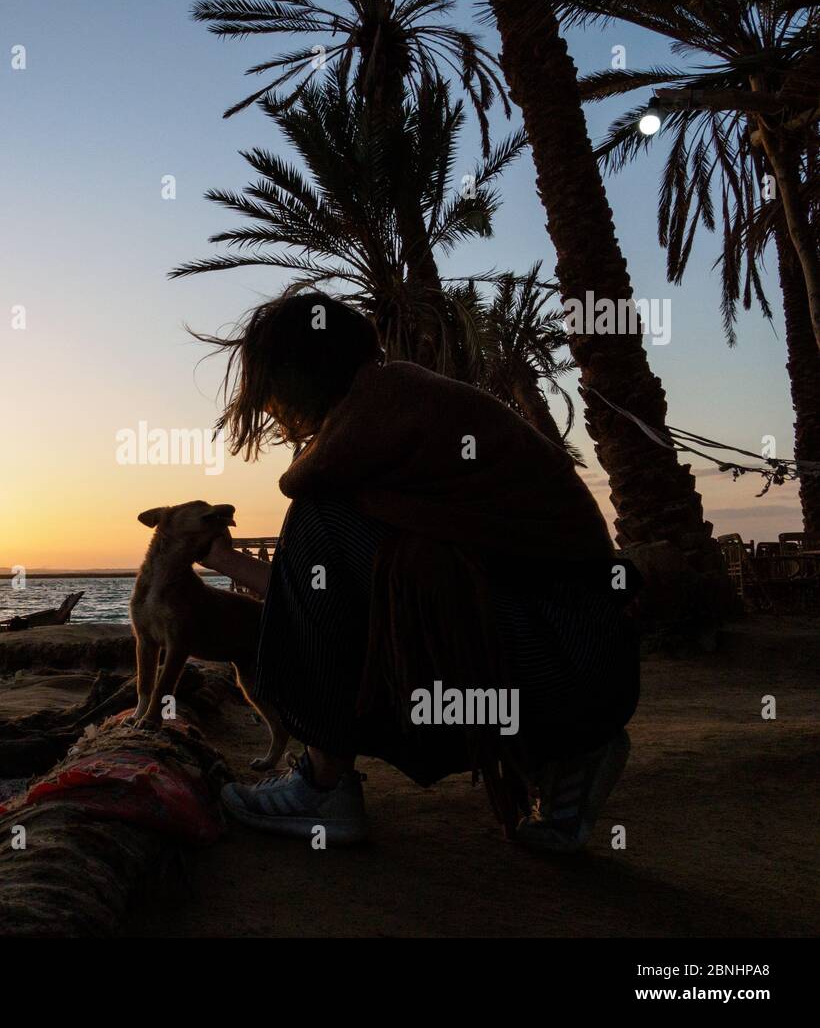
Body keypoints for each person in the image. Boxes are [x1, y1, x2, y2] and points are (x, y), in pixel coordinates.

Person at [195, 291, 640, 852]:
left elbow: (304, 512)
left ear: (294, 372)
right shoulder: (406, 404)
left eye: (267, 388)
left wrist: (217, 557)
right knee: (362, 558)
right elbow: (328, 587)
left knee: (317, 518)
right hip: (590, 671)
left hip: (552, 662)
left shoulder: (374, 409)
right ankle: (564, 759)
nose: (267, 410)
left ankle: (323, 785)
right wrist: (227, 562)